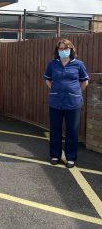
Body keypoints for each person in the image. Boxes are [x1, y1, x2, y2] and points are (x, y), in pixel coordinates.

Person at [44, 39, 89, 168]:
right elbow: (48, 80)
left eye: (65, 48)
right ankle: (54, 155)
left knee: (72, 131)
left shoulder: (78, 64)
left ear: (71, 49)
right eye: (60, 49)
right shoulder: (52, 64)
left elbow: (84, 81)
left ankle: (70, 157)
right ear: (57, 51)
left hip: (73, 103)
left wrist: (77, 92)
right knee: (55, 130)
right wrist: (55, 89)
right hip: (55, 102)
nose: (63, 51)